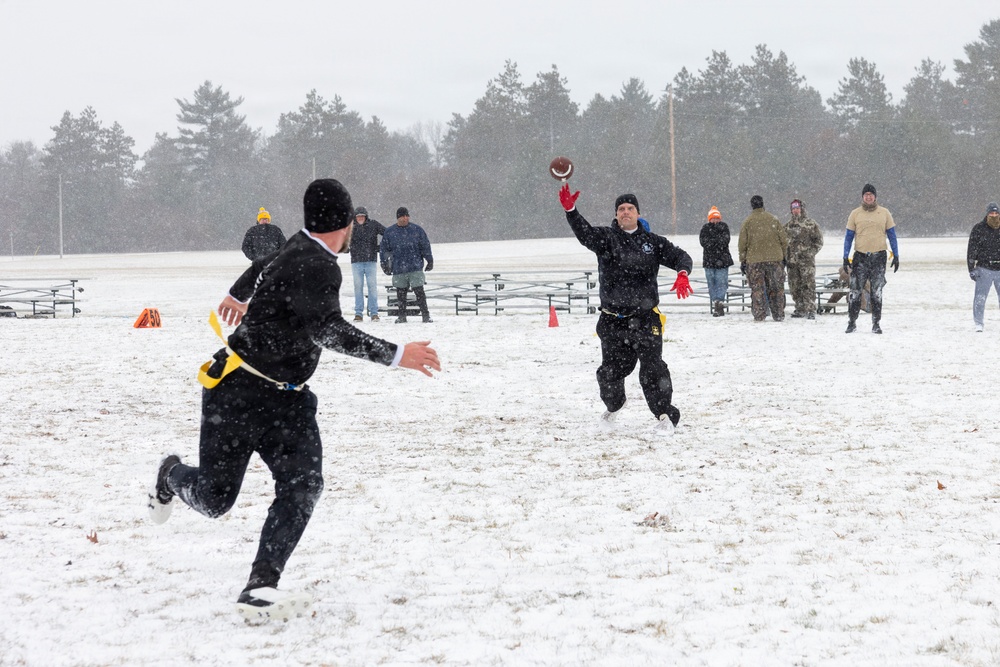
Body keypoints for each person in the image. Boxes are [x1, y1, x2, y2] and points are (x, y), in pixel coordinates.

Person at [146, 179, 441, 621]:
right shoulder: (319, 265)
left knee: (303, 485)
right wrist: (398, 354)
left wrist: (237, 292)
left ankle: (261, 586)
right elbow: (327, 329)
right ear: (343, 224)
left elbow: (263, 265)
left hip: (289, 401)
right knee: (214, 499)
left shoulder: (297, 247)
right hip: (239, 392)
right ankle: (171, 474)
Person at [557, 183, 693, 433]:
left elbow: (681, 257)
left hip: (645, 319)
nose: (626, 212)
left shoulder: (653, 243)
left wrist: (683, 273)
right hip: (612, 321)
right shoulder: (606, 239)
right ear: (616, 214)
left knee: (653, 368)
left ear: (638, 214)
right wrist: (571, 210)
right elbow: (584, 233)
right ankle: (614, 405)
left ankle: (665, 415)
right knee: (611, 372)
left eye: (630, 208)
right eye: (621, 208)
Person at [843, 183, 899, 334]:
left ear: (875, 197)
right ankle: (852, 322)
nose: (868, 197)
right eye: (866, 194)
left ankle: (876, 323)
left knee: (876, 292)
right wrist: (845, 256)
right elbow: (848, 237)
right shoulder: (855, 214)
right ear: (862, 197)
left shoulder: (884, 213)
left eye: (871, 195)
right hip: (860, 257)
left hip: (878, 257)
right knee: (855, 292)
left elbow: (892, 235)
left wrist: (896, 254)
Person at [738, 195, 788, 322]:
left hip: (754, 261)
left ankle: (759, 314)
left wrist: (743, 260)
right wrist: (784, 256)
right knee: (776, 288)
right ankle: (778, 313)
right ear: (763, 204)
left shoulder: (747, 222)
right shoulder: (773, 220)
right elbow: (783, 240)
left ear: (752, 205)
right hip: (775, 259)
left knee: (757, 289)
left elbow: (742, 243)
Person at [380, 207, 434, 323]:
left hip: (415, 266)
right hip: (399, 267)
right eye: (403, 216)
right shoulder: (390, 232)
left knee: (419, 291)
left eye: (407, 216)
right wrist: (384, 264)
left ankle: (425, 315)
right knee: (400, 293)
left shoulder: (417, 230)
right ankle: (402, 316)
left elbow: (425, 245)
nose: (406, 218)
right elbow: (384, 249)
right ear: (398, 218)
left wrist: (429, 260)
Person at [785, 199, 824, 319]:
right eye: (793, 209)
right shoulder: (787, 226)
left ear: (802, 209)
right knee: (794, 286)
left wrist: (810, 253)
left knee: (808, 285)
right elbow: (782, 243)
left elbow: (819, 242)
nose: (796, 211)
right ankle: (800, 308)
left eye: (798, 208)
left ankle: (811, 309)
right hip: (792, 262)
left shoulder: (811, 224)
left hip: (807, 262)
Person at [348, 206, 386, 322]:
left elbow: (388, 234)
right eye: (358, 216)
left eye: (362, 216)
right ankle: (358, 313)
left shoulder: (373, 225)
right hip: (356, 262)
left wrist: (381, 247)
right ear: (355, 217)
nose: (360, 218)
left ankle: (374, 313)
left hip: (371, 261)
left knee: (372, 287)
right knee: (358, 287)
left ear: (366, 216)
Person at [967, 202, 1000, 332]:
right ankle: (979, 323)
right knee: (980, 298)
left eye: (996, 213)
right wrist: (971, 268)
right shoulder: (979, 228)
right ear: (987, 214)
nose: (993, 215)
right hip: (984, 268)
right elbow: (972, 249)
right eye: (991, 213)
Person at [698, 205, 734, 317]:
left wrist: (713, 242)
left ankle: (719, 302)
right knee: (711, 283)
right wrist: (716, 242)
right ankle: (716, 302)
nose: (715, 220)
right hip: (709, 261)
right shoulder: (705, 228)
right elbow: (703, 242)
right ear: (709, 218)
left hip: (722, 261)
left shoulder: (724, 227)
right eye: (713, 218)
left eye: (717, 218)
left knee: (721, 282)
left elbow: (725, 241)